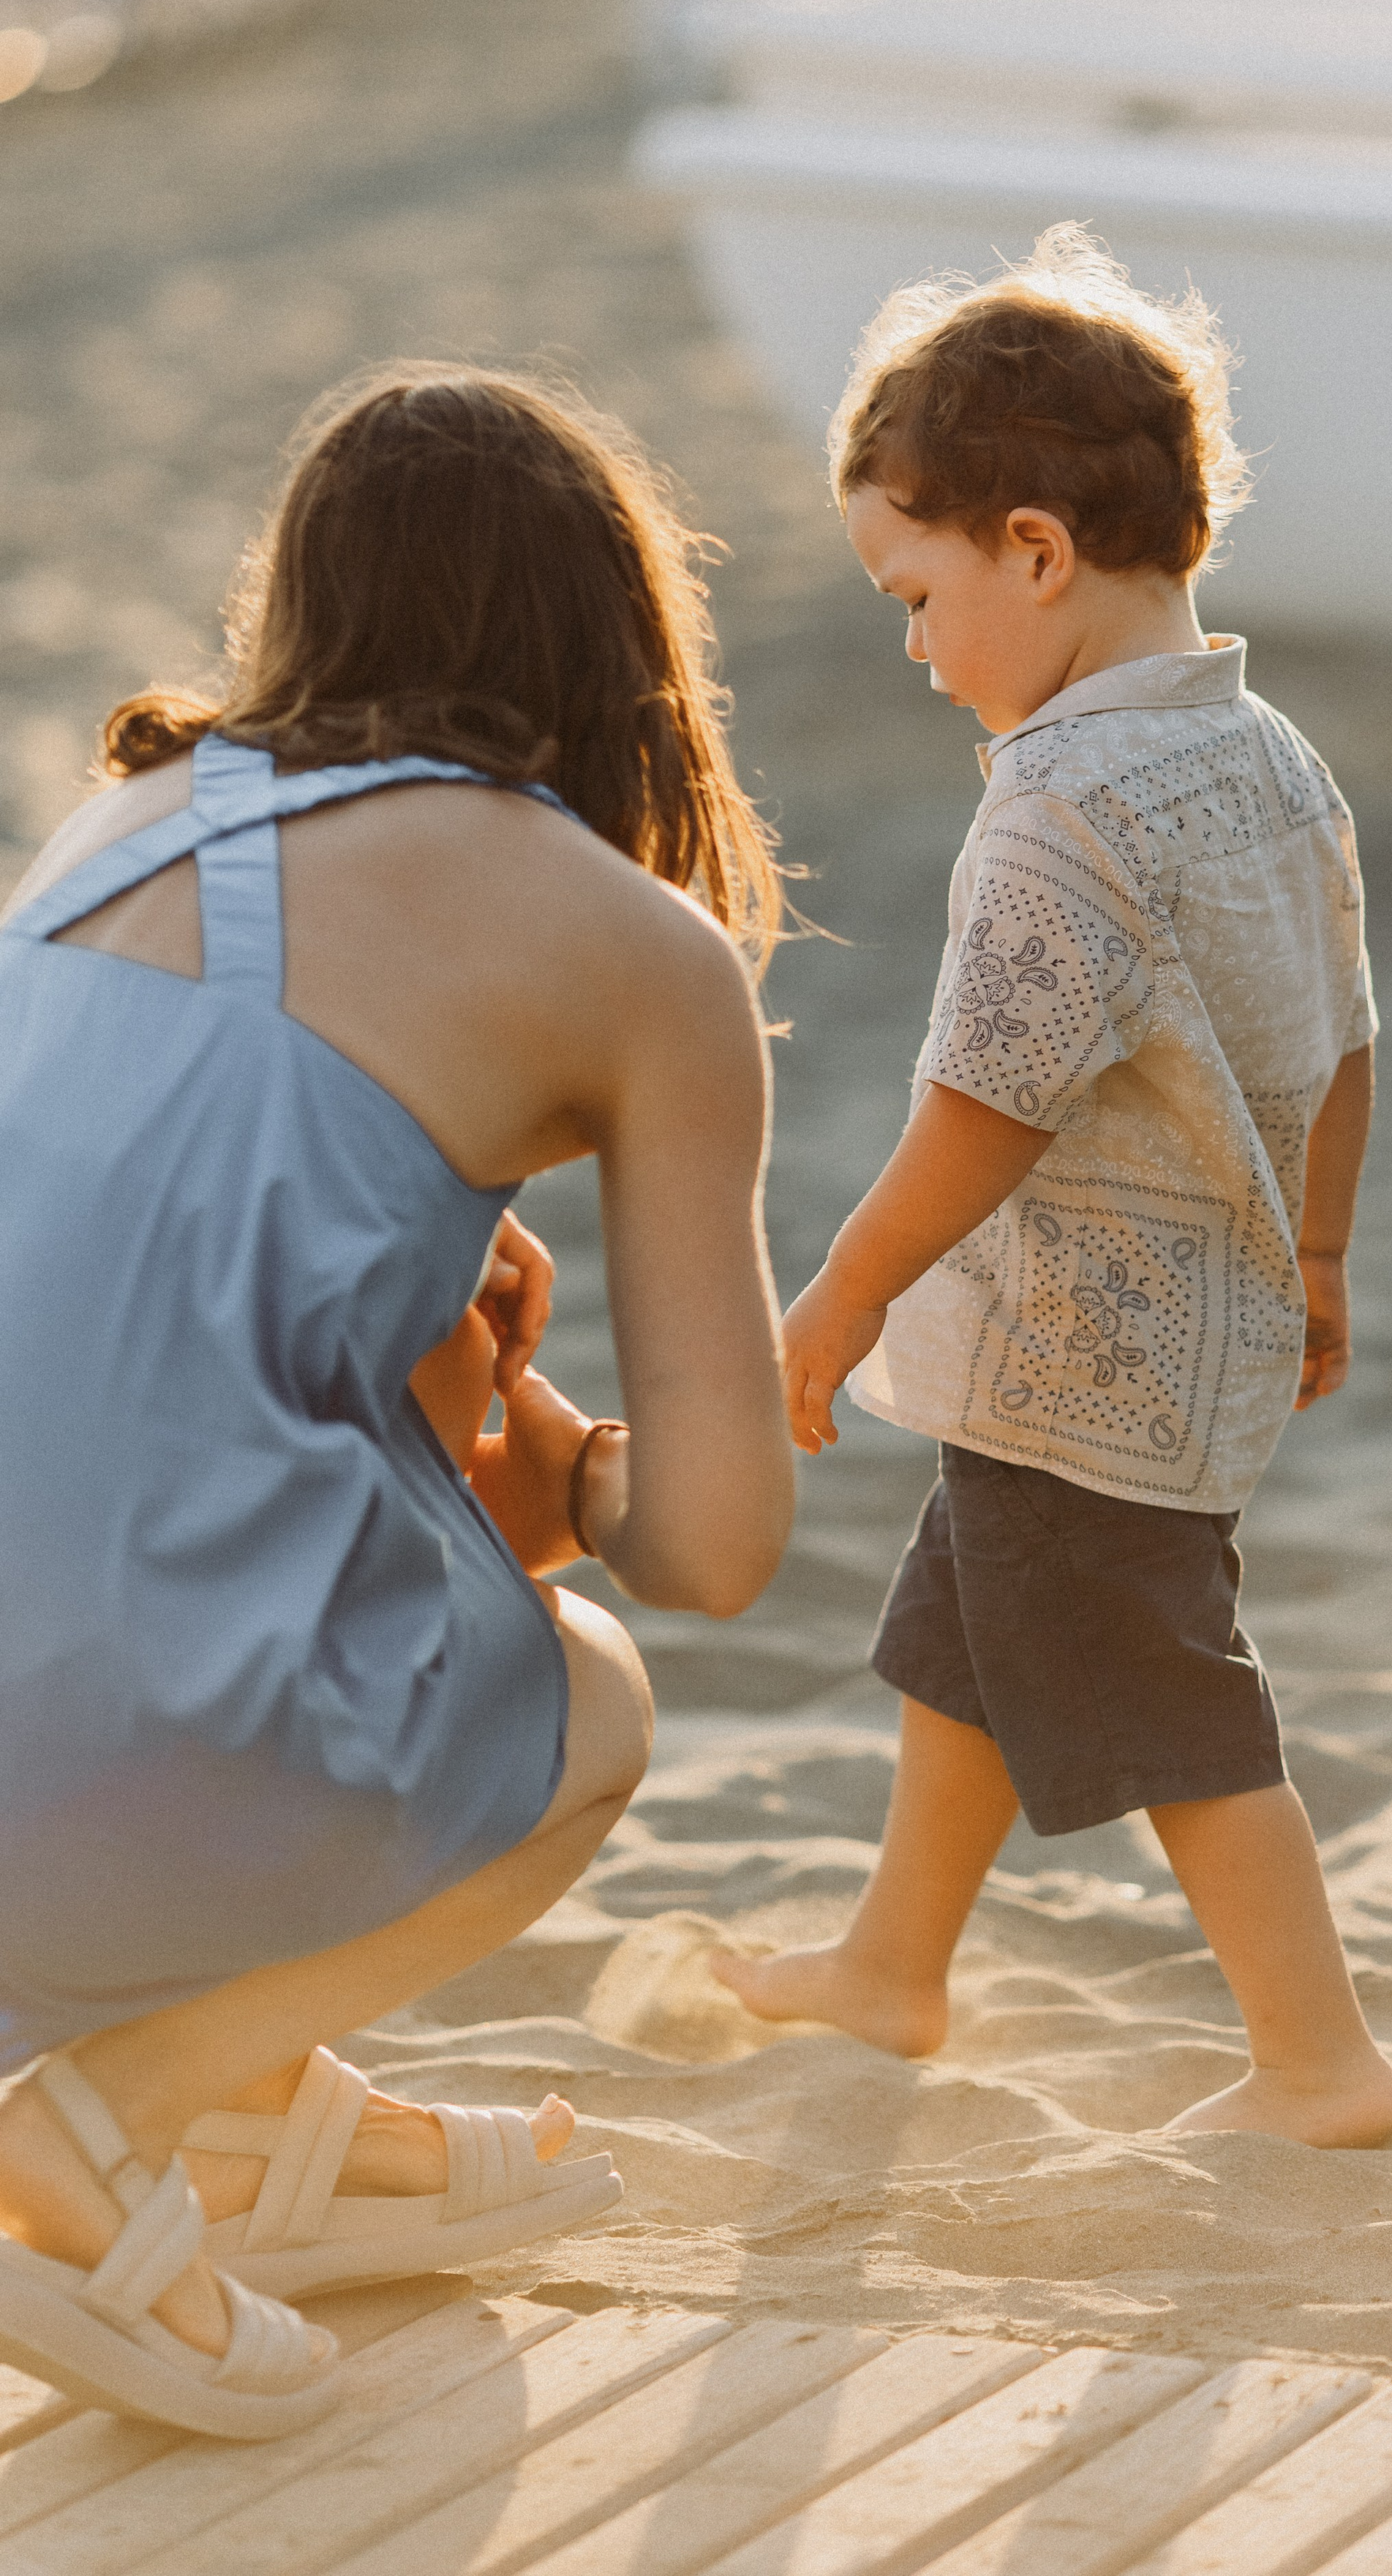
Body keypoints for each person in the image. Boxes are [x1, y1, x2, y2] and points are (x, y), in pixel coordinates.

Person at [0, 369, 793, 2436]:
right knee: (586, 1700)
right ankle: (92, 2127)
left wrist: (420, 1340)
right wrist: (574, 1469)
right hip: (84, 1763)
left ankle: (268, 2133)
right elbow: (717, 1546)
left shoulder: (116, 815)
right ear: (621, 645)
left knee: (306, 1568)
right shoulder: (635, 954)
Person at [712, 228, 1392, 2147]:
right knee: (971, 1633)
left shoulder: (1062, 803)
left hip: (1085, 1349)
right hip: (1195, 1328)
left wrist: (840, 1296)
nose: (916, 646)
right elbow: (1345, 1037)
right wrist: (1325, 1253)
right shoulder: (1274, 761)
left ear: (1035, 550)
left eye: (917, 594)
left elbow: (982, 1104)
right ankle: (894, 1964)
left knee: (1166, 1691)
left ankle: (1318, 2065)